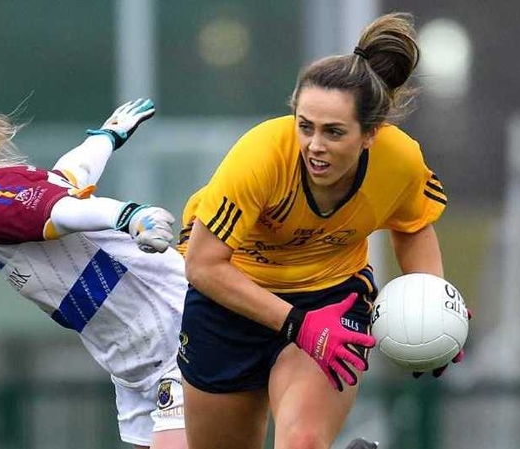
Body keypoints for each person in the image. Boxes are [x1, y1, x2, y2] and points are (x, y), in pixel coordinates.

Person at [176, 12, 466, 449]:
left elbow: (412, 226)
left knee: (304, 442)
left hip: (332, 300)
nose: (315, 146)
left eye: (334, 132)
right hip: (230, 301)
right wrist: (297, 324)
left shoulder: (399, 161)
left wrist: (433, 306)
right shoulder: (259, 157)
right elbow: (202, 266)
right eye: (305, 126)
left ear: (370, 134)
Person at [0, 98, 188, 449]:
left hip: (175, 336)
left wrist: (130, 216)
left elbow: (62, 210)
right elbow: (67, 177)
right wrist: (106, 137)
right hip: (135, 365)